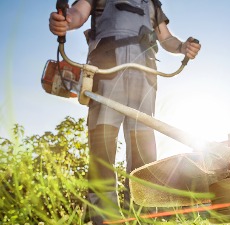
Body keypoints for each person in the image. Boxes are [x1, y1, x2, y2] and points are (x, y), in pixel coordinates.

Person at [49, 0, 201, 223]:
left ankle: (144, 215)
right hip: (107, 66)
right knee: (102, 145)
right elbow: (77, 13)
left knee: (144, 148)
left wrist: (182, 47)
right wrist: (66, 22)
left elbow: (166, 37)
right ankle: (103, 216)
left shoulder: (151, 3)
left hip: (144, 71)